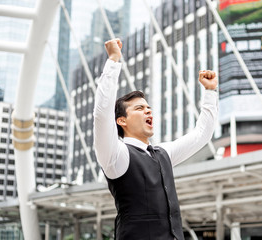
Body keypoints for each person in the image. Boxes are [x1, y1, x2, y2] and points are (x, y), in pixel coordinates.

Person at [93, 38, 218, 240]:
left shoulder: (163, 153)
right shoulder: (116, 155)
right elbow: (101, 114)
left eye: (148, 107)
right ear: (121, 121)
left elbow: (202, 135)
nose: (148, 110)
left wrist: (210, 92)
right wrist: (114, 60)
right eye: (139, 108)